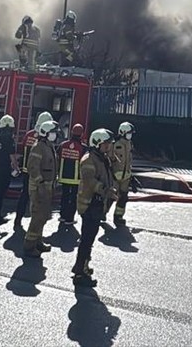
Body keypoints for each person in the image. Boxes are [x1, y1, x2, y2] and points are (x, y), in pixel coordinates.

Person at [73, 128, 117, 287]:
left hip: (97, 204)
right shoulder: (89, 160)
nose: (108, 147)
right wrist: (106, 191)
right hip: (89, 205)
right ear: (97, 143)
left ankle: (83, 266)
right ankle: (80, 272)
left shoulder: (101, 158)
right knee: (86, 239)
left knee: (89, 239)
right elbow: (90, 181)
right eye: (106, 144)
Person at [22, 117, 59, 256]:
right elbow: (33, 167)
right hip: (39, 188)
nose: (55, 135)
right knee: (37, 216)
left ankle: (38, 241)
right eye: (53, 132)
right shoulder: (39, 147)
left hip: (47, 187)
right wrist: (41, 183)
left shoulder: (48, 146)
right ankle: (29, 245)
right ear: (46, 133)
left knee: (43, 215)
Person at [12, 111, 46, 231]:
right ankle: (35, 226)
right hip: (39, 173)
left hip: (26, 171)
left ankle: (18, 220)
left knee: (24, 195)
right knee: (38, 199)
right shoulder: (43, 139)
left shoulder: (29, 134)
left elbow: (21, 150)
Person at [57, 123, 84, 225]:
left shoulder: (63, 145)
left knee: (64, 196)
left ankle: (63, 216)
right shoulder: (82, 147)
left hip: (63, 176)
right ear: (81, 134)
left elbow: (57, 157)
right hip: (75, 178)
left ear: (72, 132)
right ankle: (69, 218)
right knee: (73, 198)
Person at [110, 121, 135, 226]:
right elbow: (109, 159)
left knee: (123, 198)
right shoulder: (114, 144)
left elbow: (129, 161)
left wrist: (131, 176)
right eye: (129, 133)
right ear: (123, 132)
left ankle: (118, 217)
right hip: (114, 177)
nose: (130, 135)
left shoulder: (130, 144)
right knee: (110, 196)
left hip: (126, 177)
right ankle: (102, 213)